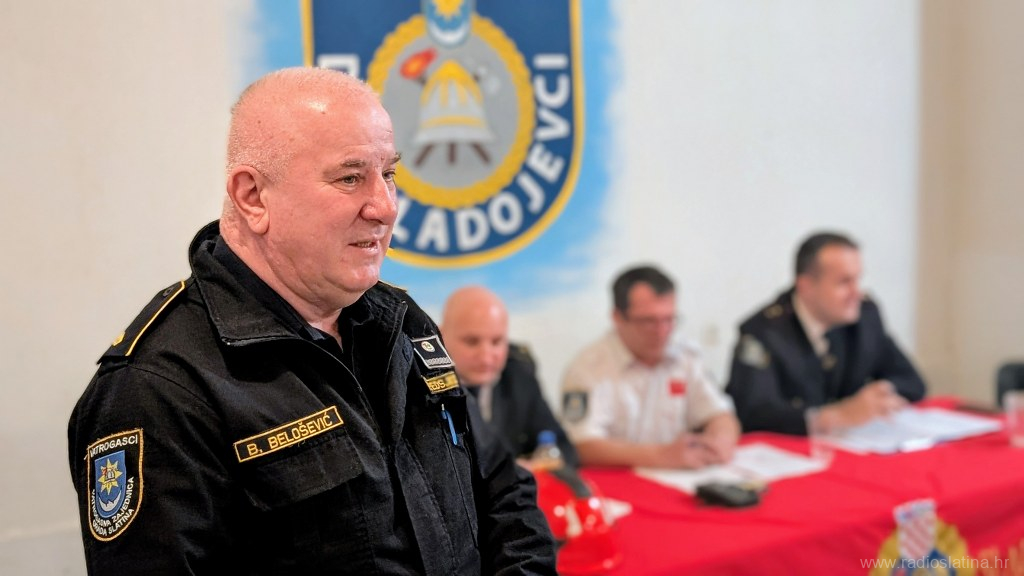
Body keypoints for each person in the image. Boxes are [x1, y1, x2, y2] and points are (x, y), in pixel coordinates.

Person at [66, 67, 556, 575]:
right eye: (350, 178)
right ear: (253, 197)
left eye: (389, 175)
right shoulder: (158, 387)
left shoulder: (402, 323)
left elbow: (503, 491)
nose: (385, 208)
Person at [725, 232, 927, 435]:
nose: (856, 293)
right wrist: (834, 416)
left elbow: (912, 382)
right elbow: (752, 411)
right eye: (844, 282)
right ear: (806, 286)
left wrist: (876, 396)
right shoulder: (762, 332)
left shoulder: (865, 316)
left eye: (857, 279)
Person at [560, 265, 740, 469]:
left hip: (678, 478)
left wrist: (720, 440)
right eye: (648, 321)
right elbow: (581, 445)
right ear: (617, 317)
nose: (662, 332)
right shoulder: (587, 368)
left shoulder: (685, 354)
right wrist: (661, 456)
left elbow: (720, 414)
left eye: (669, 319)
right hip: (615, 480)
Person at [440, 286, 580, 468]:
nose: (486, 356)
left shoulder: (518, 372)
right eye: (472, 341)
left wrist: (533, 468)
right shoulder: (422, 385)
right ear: (441, 336)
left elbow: (562, 448)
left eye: (497, 342)